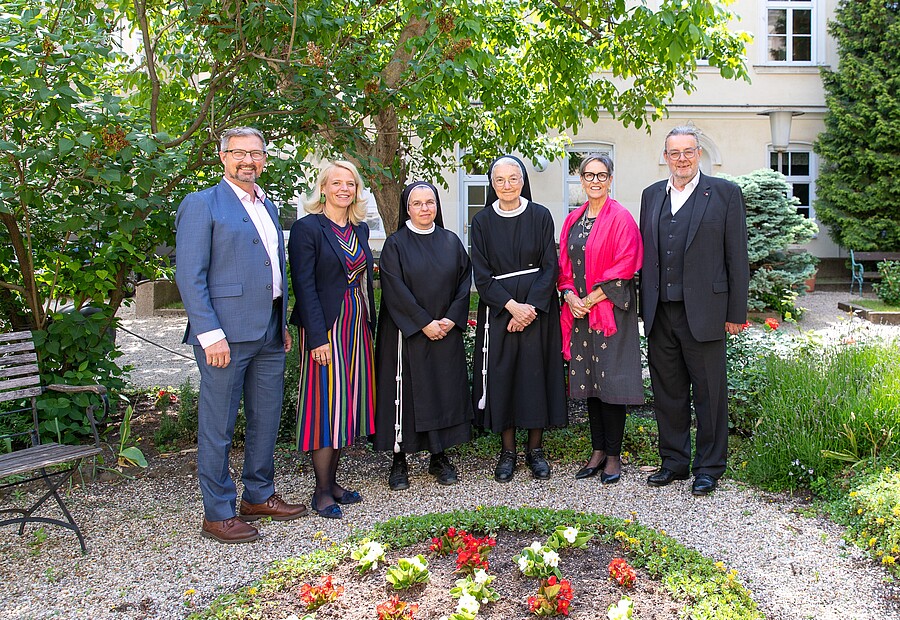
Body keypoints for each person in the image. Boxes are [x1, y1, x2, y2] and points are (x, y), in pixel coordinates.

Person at [175, 127, 307, 544]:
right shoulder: (202, 204)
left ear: (264, 159)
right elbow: (189, 276)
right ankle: (217, 513)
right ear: (222, 157)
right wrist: (209, 333)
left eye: (256, 153)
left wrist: (282, 322)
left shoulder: (267, 205)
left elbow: (272, 269)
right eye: (238, 153)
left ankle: (258, 495)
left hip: (269, 332)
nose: (248, 160)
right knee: (218, 426)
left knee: (265, 419)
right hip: (224, 338)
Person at [639, 125, 749, 496]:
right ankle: (674, 462)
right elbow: (650, 256)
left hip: (706, 312)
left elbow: (737, 257)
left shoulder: (724, 194)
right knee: (667, 392)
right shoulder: (651, 195)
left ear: (698, 153)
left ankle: (709, 467)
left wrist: (736, 312)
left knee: (709, 394)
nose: (681, 159)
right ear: (666, 157)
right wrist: (643, 308)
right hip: (660, 313)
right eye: (674, 153)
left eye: (688, 152)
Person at [470, 155, 567, 483]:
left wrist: (530, 309)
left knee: (534, 376)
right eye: (500, 180)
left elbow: (550, 266)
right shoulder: (482, 221)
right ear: (492, 184)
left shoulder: (540, 216)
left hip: (537, 310)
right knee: (504, 377)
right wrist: (512, 307)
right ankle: (508, 451)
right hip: (500, 311)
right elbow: (481, 275)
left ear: (523, 180)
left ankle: (536, 450)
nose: (507, 185)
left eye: (513, 179)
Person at [288, 160, 377, 519]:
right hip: (326, 327)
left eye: (350, 184)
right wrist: (317, 338)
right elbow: (304, 286)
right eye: (336, 183)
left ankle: (334, 482)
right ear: (323, 188)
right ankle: (322, 491)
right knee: (325, 405)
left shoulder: (361, 229)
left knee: (348, 402)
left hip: (357, 327)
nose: (344, 189)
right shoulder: (307, 229)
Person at [373, 182, 474, 490]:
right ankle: (399, 460)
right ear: (407, 208)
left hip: (444, 331)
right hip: (407, 333)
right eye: (417, 204)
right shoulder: (395, 244)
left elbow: (463, 283)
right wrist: (422, 322)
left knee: (442, 392)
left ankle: (438, 457)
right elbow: (394, 288)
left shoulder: (450, 241)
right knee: (402, 396)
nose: (424, 209)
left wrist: (448, 320)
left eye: (429, 202)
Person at [558, 154, 644, 485]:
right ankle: (596, 450)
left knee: (611, 383)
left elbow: (626, 264)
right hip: (580, 313)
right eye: (589, 175)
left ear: (610, 180)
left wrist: (590, 300)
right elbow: (563, 265)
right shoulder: (573, 220)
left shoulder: (621, 218)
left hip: (610, 314)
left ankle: (612, 456)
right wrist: (570, 297)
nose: (595, 180)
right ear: (581, 180)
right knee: (590, 383)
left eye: (602, 175)